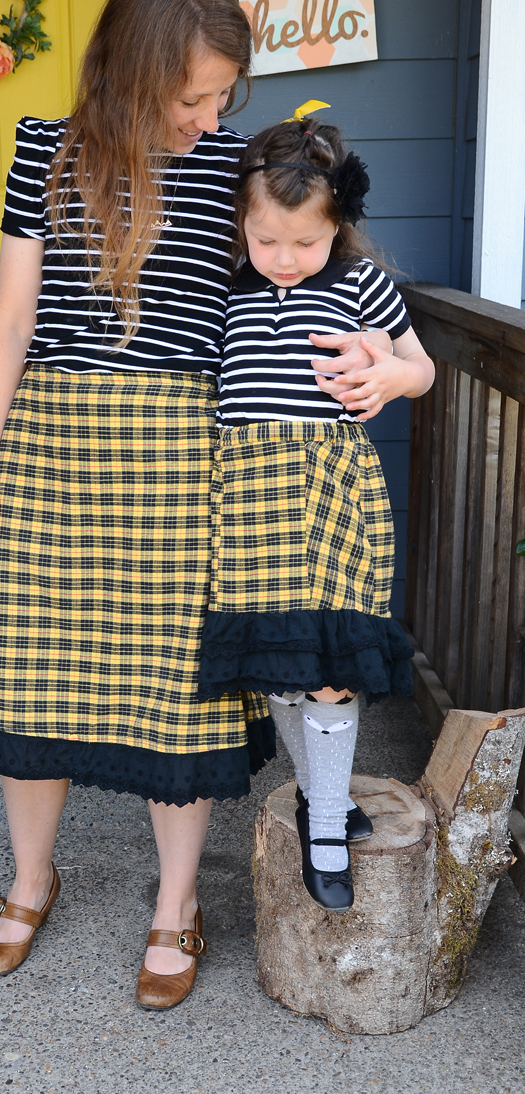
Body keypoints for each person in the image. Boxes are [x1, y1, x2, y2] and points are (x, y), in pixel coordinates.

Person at [0, 0, 384, 1009]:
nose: (206, 113)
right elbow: (11, 320)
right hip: (52, 445)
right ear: (132, 73)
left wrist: (392, 369)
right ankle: (28, 879)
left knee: (177, 692)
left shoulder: (239, 170)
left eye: (220, 94)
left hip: (185, 456)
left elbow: (337, 281)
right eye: (189, 94)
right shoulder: (44, 152)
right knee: (24, 665)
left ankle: (174, 902)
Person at [197, 104, 435, 913]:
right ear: (244, 222)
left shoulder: (361, 283)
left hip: (334, 493)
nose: (286, 259)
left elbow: (422, 368)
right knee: (282, 667)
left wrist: (392, 375)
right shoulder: (224, 286)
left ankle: (327, 826)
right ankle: (315, 795)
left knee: (331, 668)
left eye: (307, 242)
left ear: (338, 227)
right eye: (267, 240)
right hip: (245, 495)